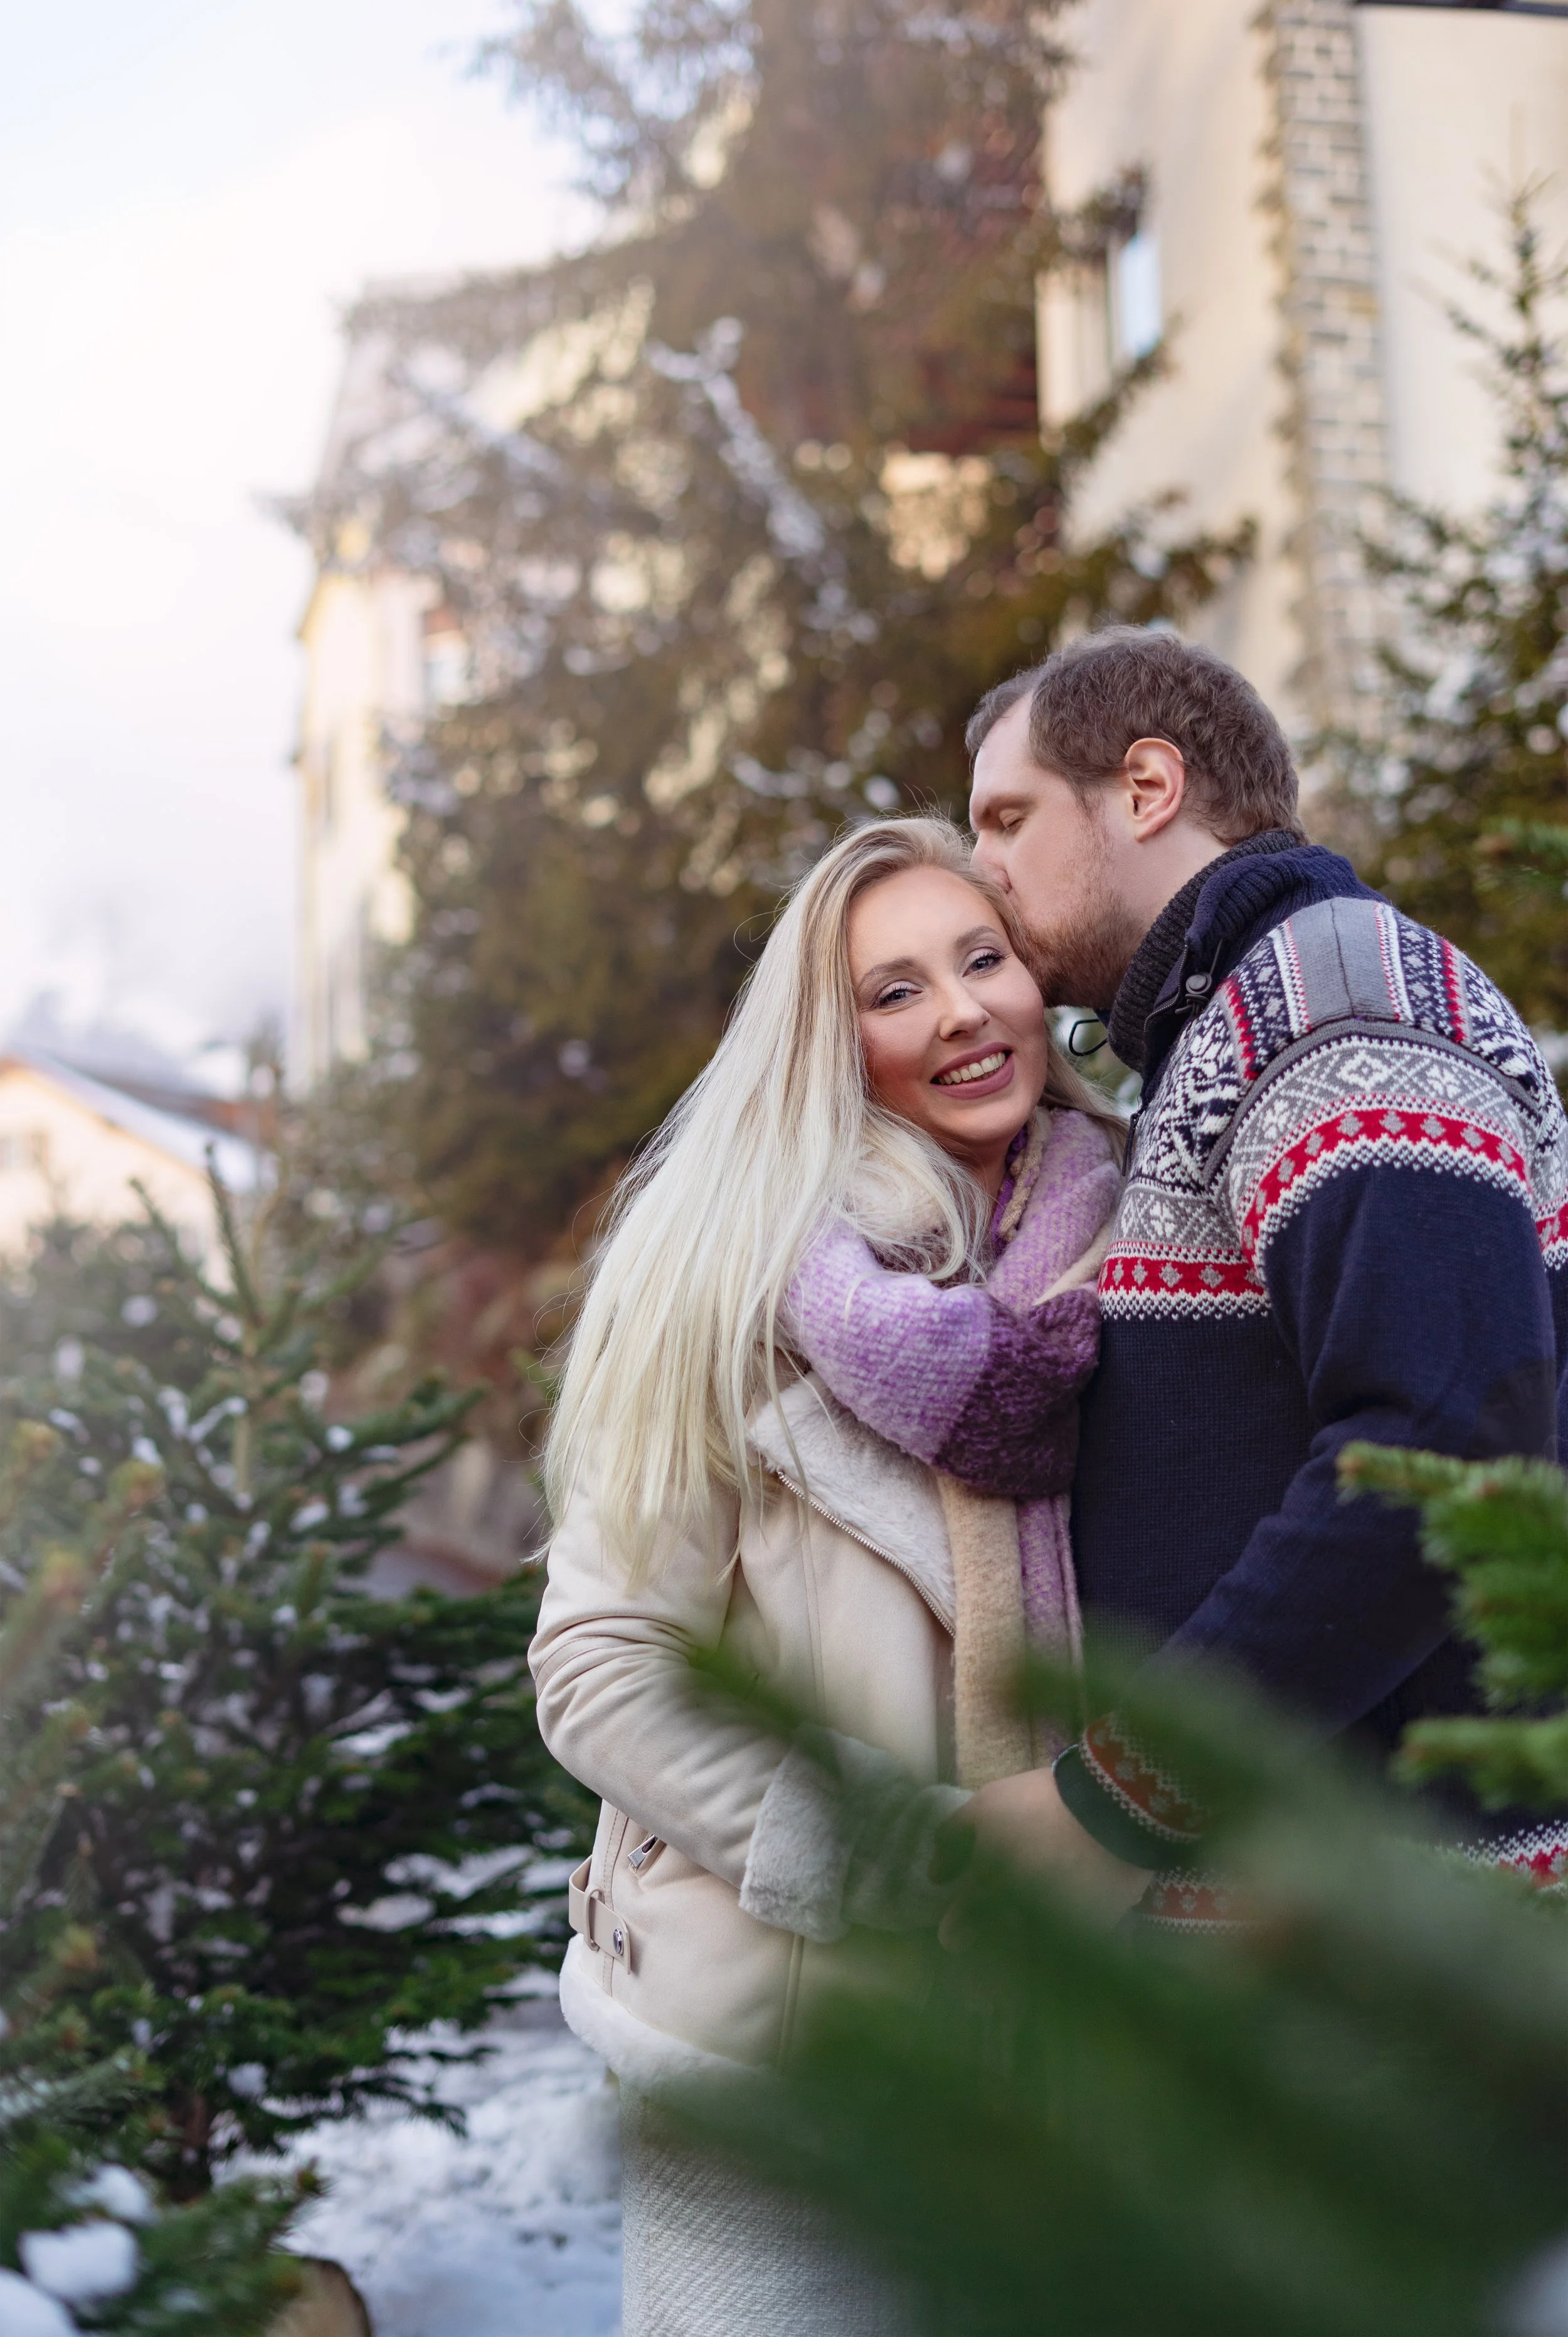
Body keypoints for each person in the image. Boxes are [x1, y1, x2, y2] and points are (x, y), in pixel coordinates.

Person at [529, 815, 1121, 2337]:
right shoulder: (723, 1283)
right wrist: (914, 1857)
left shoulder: (1123, 1258)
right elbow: (598, 1669)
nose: (960, 1013)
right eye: (893, 991)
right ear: (828, 1040)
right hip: (779, 2049)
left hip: (1066, 2053)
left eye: (980, 959)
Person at [942, 624, 1568, 1917]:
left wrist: (1120, 1798)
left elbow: (1440, 1446)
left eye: (1005, 819)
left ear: (1147, 786)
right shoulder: (1233, 1018)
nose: (979, 870)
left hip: (1402, 1932)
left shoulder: (1332, 1001)